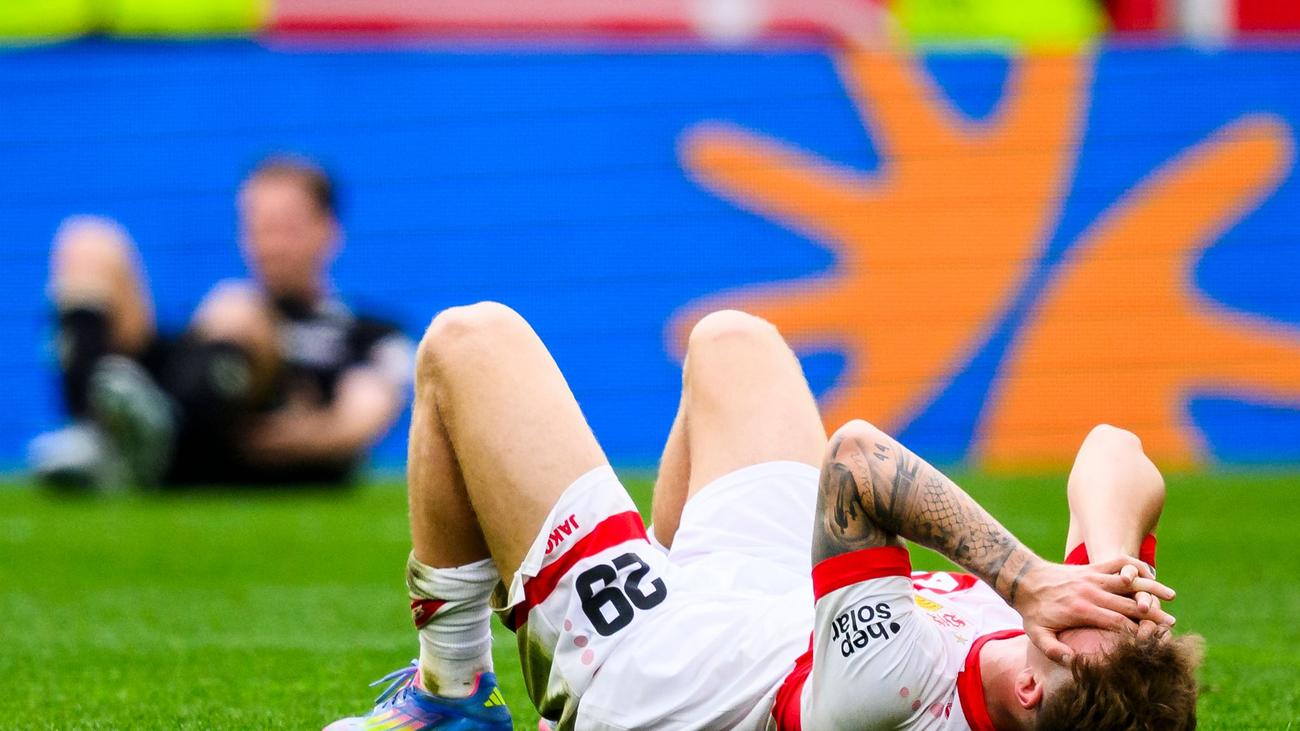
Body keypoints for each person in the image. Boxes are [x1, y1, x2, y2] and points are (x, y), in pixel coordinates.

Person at [324, 304, 1191, 731]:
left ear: (1031, 688)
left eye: (1099, 623)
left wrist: (1028, 577)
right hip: (778, 609)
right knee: (733, 341)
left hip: (655, 664)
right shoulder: (1092, 656)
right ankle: (654, 560)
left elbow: (859, 461)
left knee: (469, 341)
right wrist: (1112, 564)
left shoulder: (892, 689)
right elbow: (1116, 450)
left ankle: (452, 696)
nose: (1107, 612)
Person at [29, 155, 413, 489]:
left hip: (249, 453)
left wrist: (288, 437)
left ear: (328, 230)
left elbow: (360, 421)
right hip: (189, 393)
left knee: (236, 308)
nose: (270, 244)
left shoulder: (369, 334)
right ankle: (94, 436)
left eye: (286, 227)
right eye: (258, 227)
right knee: (87, 242)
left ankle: (146, 443)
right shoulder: (220, 311)